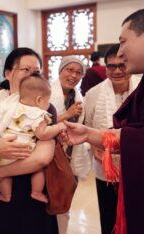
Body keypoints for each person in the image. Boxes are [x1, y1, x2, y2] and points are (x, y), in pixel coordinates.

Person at [63, 8, 144, 234]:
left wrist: (125, 138)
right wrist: (91, 135)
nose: (119, 53)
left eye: (123, 42)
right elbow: (134, 129)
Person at [0, 47, 59, 234]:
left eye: (36, 72)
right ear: (8, 73)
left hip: (32, 187)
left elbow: (42, 158)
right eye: (25, 70)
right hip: (0, 192)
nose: (31, 75)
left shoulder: (43, 107)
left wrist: (0, 172)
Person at [0, 73, 65, 203]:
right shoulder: (39, 114)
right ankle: (36, 192)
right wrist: (58, 127)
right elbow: (42, 134)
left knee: (5, 176)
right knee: (38, 171)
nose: (48, 104)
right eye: (47, 100)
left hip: (4, 154)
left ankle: (6, 195)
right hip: (24, 153)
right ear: (38, 100)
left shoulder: (9, 107)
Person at [83, 44, 140, 234]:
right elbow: (88, 127)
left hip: (139, 167)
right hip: (105, 168)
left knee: (137, 216)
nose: (117, 71)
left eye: (121, 65)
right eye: (111, 66)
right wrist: (94, 145)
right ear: (105, 67)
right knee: (108, 216)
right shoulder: (93, 94)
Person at [49, 55, 91, 234]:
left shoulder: (79, 97)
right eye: (70, 70)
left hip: (70, 157)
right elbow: (38, 126)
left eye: (78, 72)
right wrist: (67, 114)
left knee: (64, 203)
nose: (73, 75)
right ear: (60, 71)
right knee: (48, 202)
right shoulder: (45, 93)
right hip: (47, 158)